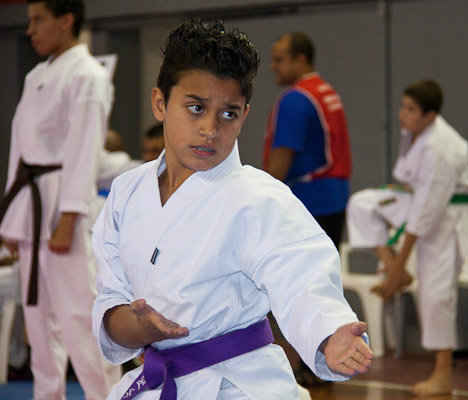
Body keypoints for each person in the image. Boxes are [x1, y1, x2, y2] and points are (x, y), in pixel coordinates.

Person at [91, 20, 373, 400]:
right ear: (160, 103)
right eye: (196, 108)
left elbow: (301, 274)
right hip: (158, 379)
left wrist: (331, 333)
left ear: (244, 115)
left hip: (238, 384)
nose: (211, 129)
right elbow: (111, 297)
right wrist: (135, 326)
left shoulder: (257, 198)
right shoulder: (127, 193)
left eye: (228, 114)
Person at [0, 0, 121, 399]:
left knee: (80, 318)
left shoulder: (88, 74)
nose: (30, 30)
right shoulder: (36, 75)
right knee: (38, 325)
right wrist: (12, 218)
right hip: (32, 205)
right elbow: (20, 153)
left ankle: (107, 395)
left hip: (63, 207)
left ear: (66, 20)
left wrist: (69, 216)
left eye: (39, 20)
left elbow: (85, 149)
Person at [347, 79, 468, 396]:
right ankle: (397, 269)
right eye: (403, 106)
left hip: (449, 215)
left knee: (437, 292)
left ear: (430, 115)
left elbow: (423, 215)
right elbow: (410, 182)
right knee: (362, 204)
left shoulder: (441, 149)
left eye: (411, 110)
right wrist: (396, 266)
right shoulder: (415, 131)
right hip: (420, 200)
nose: (402, 115)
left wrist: (396, 268)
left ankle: (443, 373)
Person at [263, 31, 352, 248]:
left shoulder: (295, 98)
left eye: (279, 60)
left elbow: (281, 158)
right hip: (336, 198)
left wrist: (263, 200)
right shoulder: (326, 91)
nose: (272, 66)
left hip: (309, 202)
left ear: (300, 60)